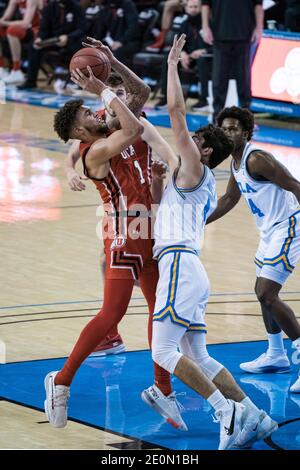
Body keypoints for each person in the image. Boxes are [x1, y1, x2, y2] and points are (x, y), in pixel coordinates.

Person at [44, 43, 188, 431]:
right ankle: (60, 382)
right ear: (78, 130)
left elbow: (140, 94)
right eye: (87, 113)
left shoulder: (111, 124)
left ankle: (162, 388)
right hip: (125, 234)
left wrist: (112, 63)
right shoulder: (95, 151)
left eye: (93, 108)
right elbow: (135, 128)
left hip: (151, 230)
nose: (95, 112)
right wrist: (101, 91)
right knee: (113, 313)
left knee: (162, 314)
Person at [146, 34, 277, 450]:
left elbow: (174, 113)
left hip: (180, 267)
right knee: (199, 357)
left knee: (163, 352)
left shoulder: (195, 169)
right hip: (192, 271)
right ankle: (256, 416)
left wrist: (170, 66)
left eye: (196, 141)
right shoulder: (189, 179)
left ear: (203, 150)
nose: (188, 141)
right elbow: (151, 134)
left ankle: (226, 412)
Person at [65, 71, 171, 359]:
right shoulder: (104, 134)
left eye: (121, 94)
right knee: (116, 302)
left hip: (149, 220)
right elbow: (76, 149)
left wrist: (111, 60)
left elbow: (143, 94)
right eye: (114, 94)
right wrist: (68, 170)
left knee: (160, 307)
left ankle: (162, 380)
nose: (116, 100)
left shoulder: (121, 122)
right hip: (127, 226)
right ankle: (66, 376)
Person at [207, 106, 300, 394]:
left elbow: (296, 185)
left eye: (234, 128)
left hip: (289, 227)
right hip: (269, 232)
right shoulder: (236, 162)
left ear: (246, 133)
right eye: (224, 128)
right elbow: (230, 199)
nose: (228, 132)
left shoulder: (257, 159)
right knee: (262, 294)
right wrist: (197, 222)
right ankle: (275, 354)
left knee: (266, 292)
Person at [201, 0, 264, 122]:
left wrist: (259, 27)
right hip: (220, 32)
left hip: (244, 32)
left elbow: (258, 5)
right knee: (219, 79)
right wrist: (205, 26)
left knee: (244, 80)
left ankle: (247, 119)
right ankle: (217, 118)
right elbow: (205, 4)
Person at [154, 0, 212, 112]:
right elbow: (178, 42)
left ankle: (204, 100)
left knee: (202, 61)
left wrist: (203, 50)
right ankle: (167, 98)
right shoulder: (185, 23)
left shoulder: (209, 23)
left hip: (205, 56)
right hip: (188, 56)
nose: (193, 9)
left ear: (202, 8)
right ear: (186, 8)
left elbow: (218, 46)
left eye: (196, 6)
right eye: (191, 7)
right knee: (169, 58)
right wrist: (182, 53)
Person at [19, 0, 86, 90]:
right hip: (53, 41)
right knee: (33, 46)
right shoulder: (49, 7)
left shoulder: (77, 8)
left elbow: (82, 29)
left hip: (70, 40)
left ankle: (79, 81)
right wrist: (40, 38)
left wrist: (68, 37)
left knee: (78, 46)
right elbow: (44, 28)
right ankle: (31, 81)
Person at [0, 0, 43, 83]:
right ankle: (1, 68)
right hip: (27, 29)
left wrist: (4, 23)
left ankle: (17, 70)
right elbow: (5, 18)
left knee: (12, 30)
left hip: (38, 30)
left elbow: (26, 23)